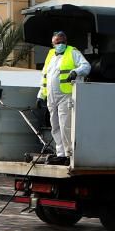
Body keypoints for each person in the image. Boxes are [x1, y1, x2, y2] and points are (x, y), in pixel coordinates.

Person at [36, 30, 90, 165]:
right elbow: (44, 77)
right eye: (57, 42)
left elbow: (86, 66)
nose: (59, 44)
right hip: (51, 97)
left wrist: (75, 72)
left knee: (65, 125)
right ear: (52, 43)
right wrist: (40, 95)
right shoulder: (50, 55)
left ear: (66, 42)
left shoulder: (72, 52)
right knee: (55, 126)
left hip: (66, 95)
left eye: (62, 42)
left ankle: (68, 154)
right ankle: (60, 153)